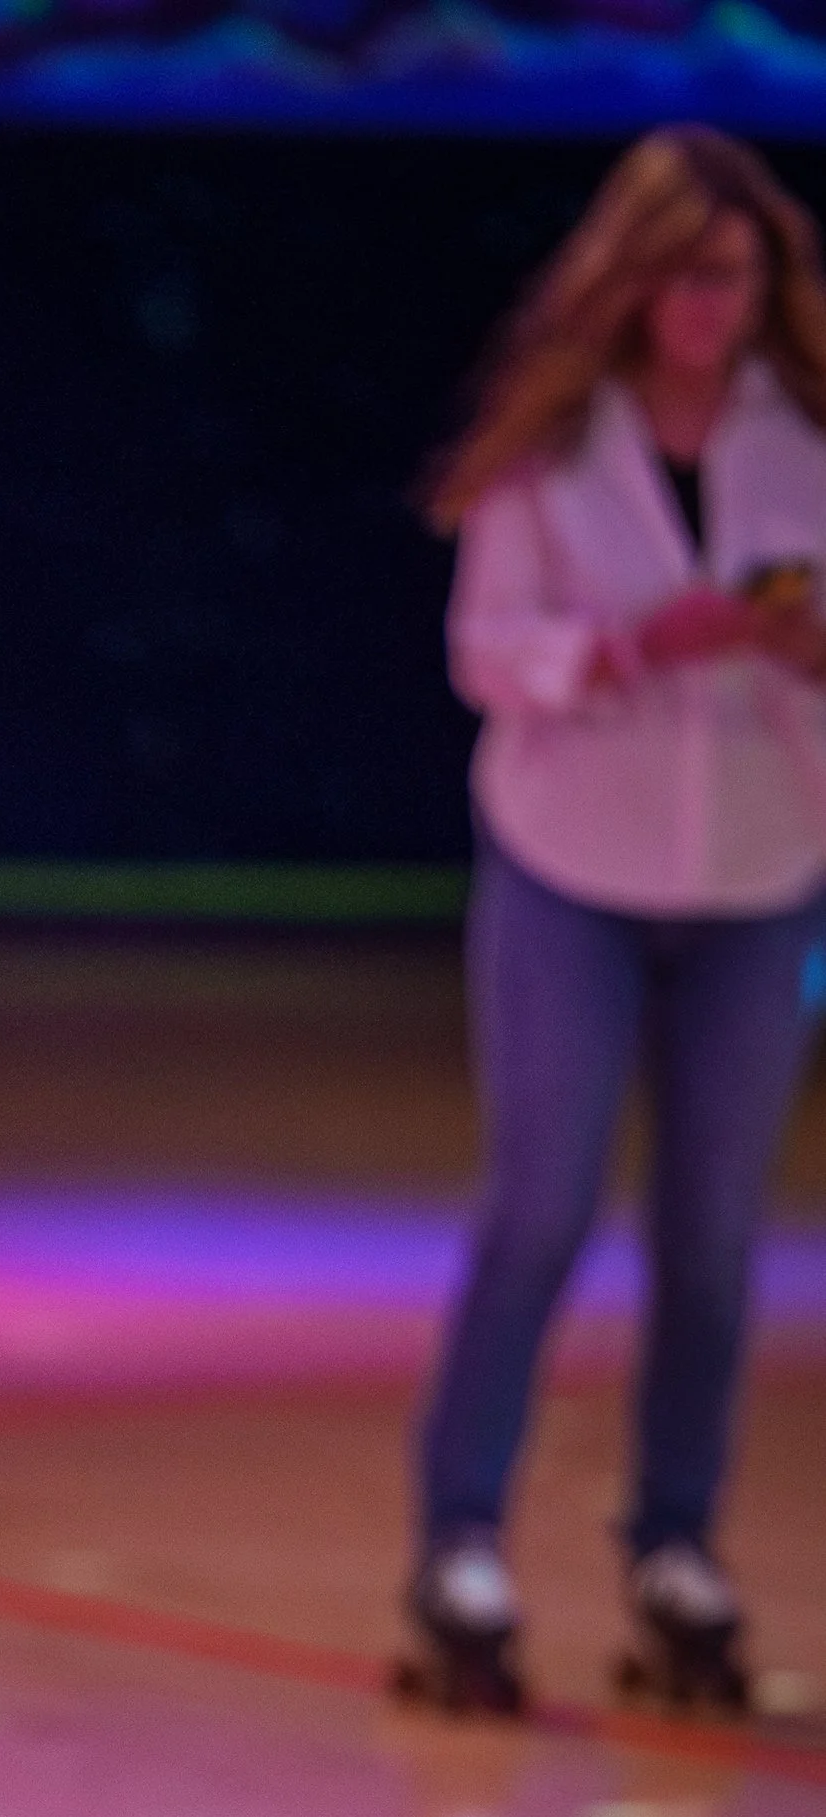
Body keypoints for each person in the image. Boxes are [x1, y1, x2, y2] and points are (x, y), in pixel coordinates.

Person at [407, 124, 826, 1714]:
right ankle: (461, 1541)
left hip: (756, 871)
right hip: (570, 859)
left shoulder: (805, 441)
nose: (710, 308)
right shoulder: (552, 446)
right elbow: (487, 648)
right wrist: (640, 644)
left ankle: (675, 1548)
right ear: (636, 283)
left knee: (716, 1234)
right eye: (686, 277)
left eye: (737, 277)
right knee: (543, 1204)